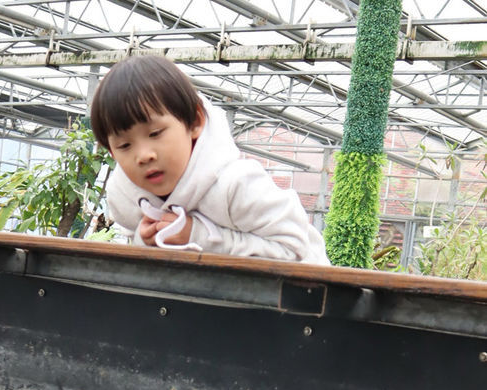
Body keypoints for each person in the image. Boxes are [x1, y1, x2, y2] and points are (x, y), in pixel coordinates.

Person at [90, 54, 329, 264]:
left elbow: (293, 250)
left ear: (194, 122)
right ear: (111, 151)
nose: (143, 155)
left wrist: (197, 237)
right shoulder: (125, 199)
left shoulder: (237, 185)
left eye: (155, 133)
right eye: (124, 145)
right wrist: (145, 241)